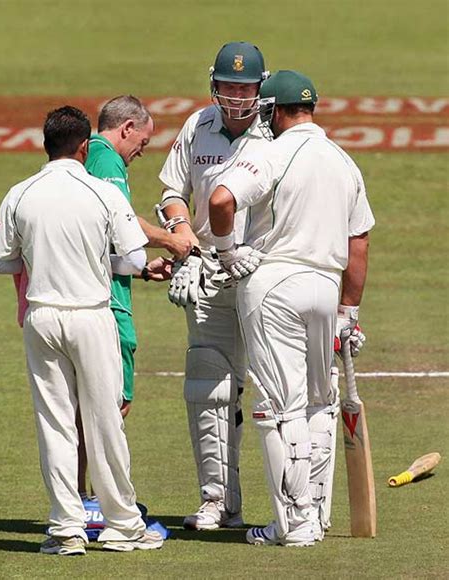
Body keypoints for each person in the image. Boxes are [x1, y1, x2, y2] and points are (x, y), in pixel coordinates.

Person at [0, 106, 164, 555]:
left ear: (46, 144)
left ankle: (66, 530)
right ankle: (123, 526)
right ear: (84, 145)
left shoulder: (21, 193)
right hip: (91, 315)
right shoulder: (102, 192)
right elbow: (135, 258)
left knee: (56, 424)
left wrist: (38, 264)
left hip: (42, 316)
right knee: (103, 422)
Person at [208, 70, 375, 547]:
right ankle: (315, 515)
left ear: (277, 111)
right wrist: (350, 312)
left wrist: (226, 252)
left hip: (273, 284)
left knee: (280, 409)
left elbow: (221, 201)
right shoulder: (345, 162)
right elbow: (358, 242)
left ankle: (292, 525)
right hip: (325, 288)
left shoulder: (270, 152)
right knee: (321, 400)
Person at [157, 41, 269, 530]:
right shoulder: (197, 124)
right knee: (208, 387)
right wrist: (181, 230)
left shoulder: (277, 132)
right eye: (228, 86)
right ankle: (217, 502)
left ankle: (302, 506)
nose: (237, 95)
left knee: (278, 388)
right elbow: (171, 191)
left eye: (245, 87)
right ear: (214, 85)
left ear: (260, 88)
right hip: (207, 271)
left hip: (264, 273)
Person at [77, 95, 191, 502]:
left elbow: (98, 239)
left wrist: (142, 268)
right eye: (142, 142)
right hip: (109, 303)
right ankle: (106, 499)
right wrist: (173, 240)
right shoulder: (106, 157)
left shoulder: (88, 156)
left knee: (90, 405)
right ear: (126, 128)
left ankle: (85, 496)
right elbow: (121, 219)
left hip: (96, 287)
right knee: (113, 402)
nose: (141, 152)